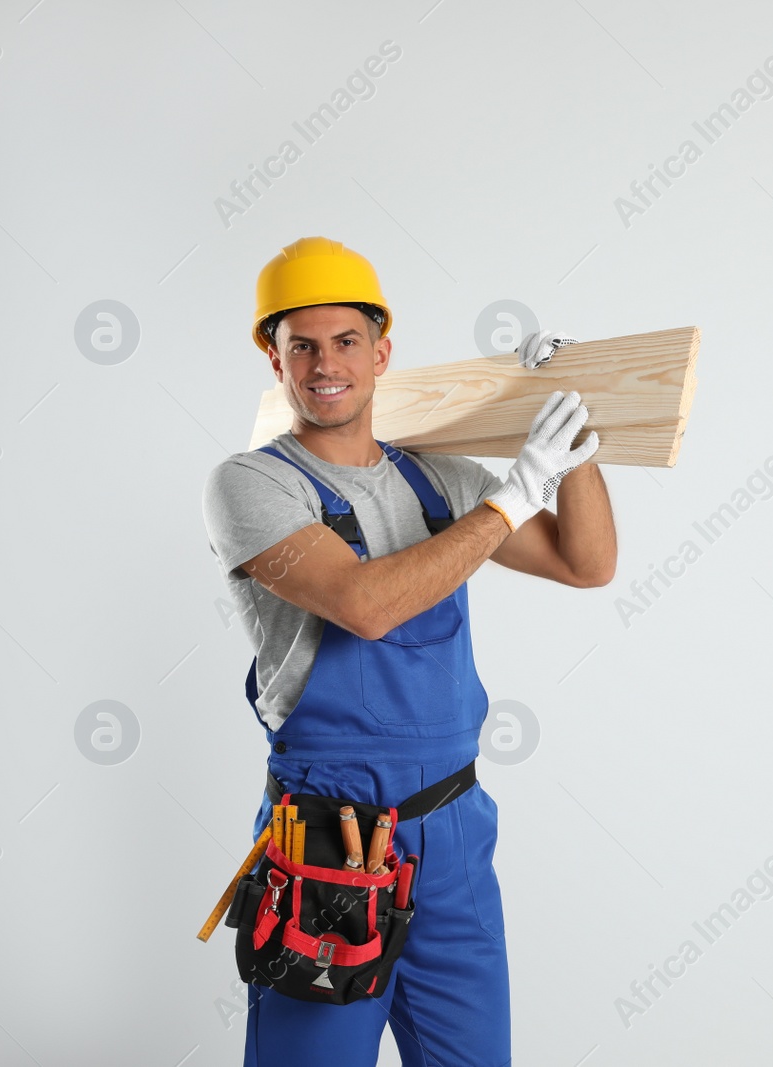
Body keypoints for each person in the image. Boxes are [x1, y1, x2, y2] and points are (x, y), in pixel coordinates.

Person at [202, 236, 616, 1065]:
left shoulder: (440, 482)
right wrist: (510, 497)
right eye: (302, 345)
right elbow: (365, 605)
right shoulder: (251, 485)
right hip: (325, 844)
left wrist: (576, 415)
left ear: (382, 351)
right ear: (272, 357)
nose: (327, 364)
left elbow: (588, 562)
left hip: (454, 838)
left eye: (347, 341)